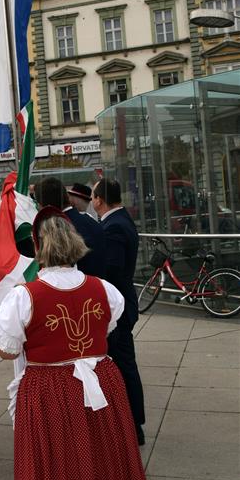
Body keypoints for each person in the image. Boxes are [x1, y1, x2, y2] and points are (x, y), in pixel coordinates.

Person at [0, 207, 153, 480]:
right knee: (106, 467)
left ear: (37, 247)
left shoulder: (24, 296)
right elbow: (107, 330)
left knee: (68, 475)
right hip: (102, 385)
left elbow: (7, 350)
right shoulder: (104, 289)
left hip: (52, 391)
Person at [92, 178, 146, 445]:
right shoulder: (120, 220)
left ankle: (134, 426)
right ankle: (131, 423)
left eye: (93, 197)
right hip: (124, 304)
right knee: (123, 363)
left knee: (123, 365)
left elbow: (111, 270)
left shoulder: (113, 227)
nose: (92, 202)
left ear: (100, 199)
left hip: (119, 308)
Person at [35, 176, 106, 277]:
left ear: (43, 206)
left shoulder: (56, 231)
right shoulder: (93, 223)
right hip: (99, 287)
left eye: (38, 204)